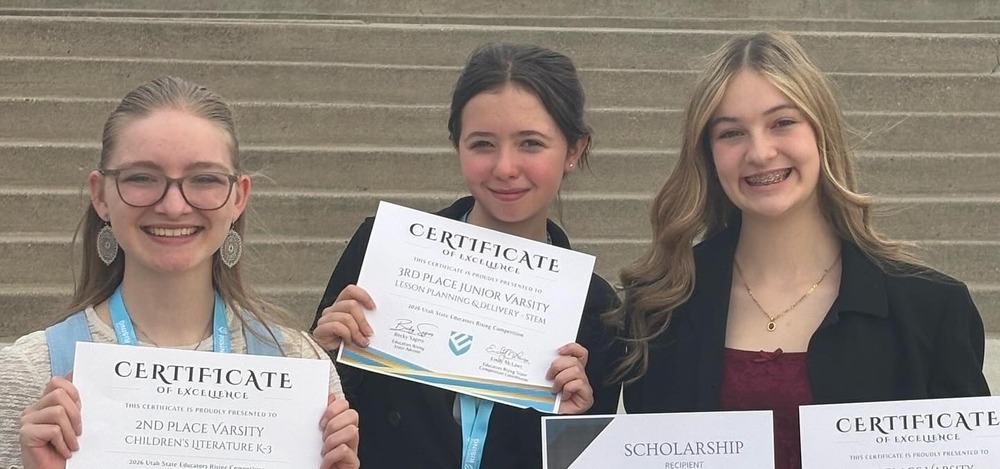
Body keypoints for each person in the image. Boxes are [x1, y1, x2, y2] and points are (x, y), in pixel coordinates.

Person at [611, 32, 990, 469]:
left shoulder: (931, 309)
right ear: (708, 155)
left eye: (782, 122)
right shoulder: (660, 307)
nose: (760, 152)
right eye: (731, 133)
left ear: (821, 132)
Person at [0, 77, 359, 469]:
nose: (173, 206)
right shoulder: (29, 376)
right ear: (101, 195)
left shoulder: (301, 367)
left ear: (238, 197)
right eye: (141, 177)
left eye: (204, 179)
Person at [311, 43, 624, 468]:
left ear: (573, 150)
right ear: (457, 145)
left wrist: (571, 424)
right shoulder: (382, 251)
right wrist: (324, 358)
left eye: (531, 143)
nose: (505, 167)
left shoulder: (596, 306)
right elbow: (317, 426)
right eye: (482, 144)